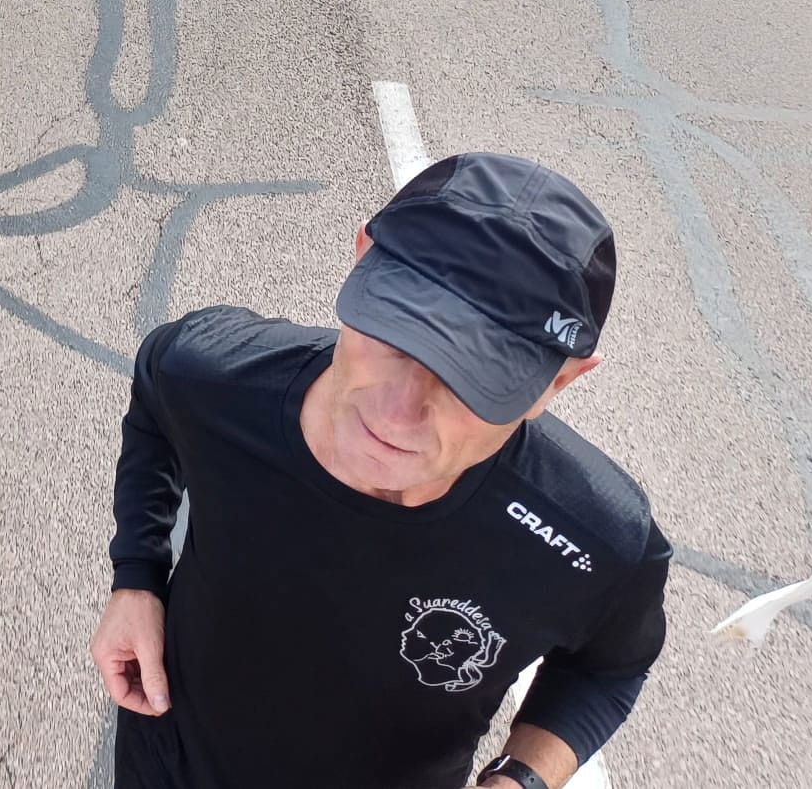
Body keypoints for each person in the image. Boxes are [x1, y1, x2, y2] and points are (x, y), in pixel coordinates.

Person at [92, 152, 672, 789]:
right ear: (363, 255)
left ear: (558, 382)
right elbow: (154, 397)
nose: (397, 416)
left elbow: (608, 668)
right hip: (167, 762)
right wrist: (136, 577)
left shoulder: (596, 537)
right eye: (397, 337)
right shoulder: (216, 375)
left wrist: (520, 778)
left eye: (472, 381)